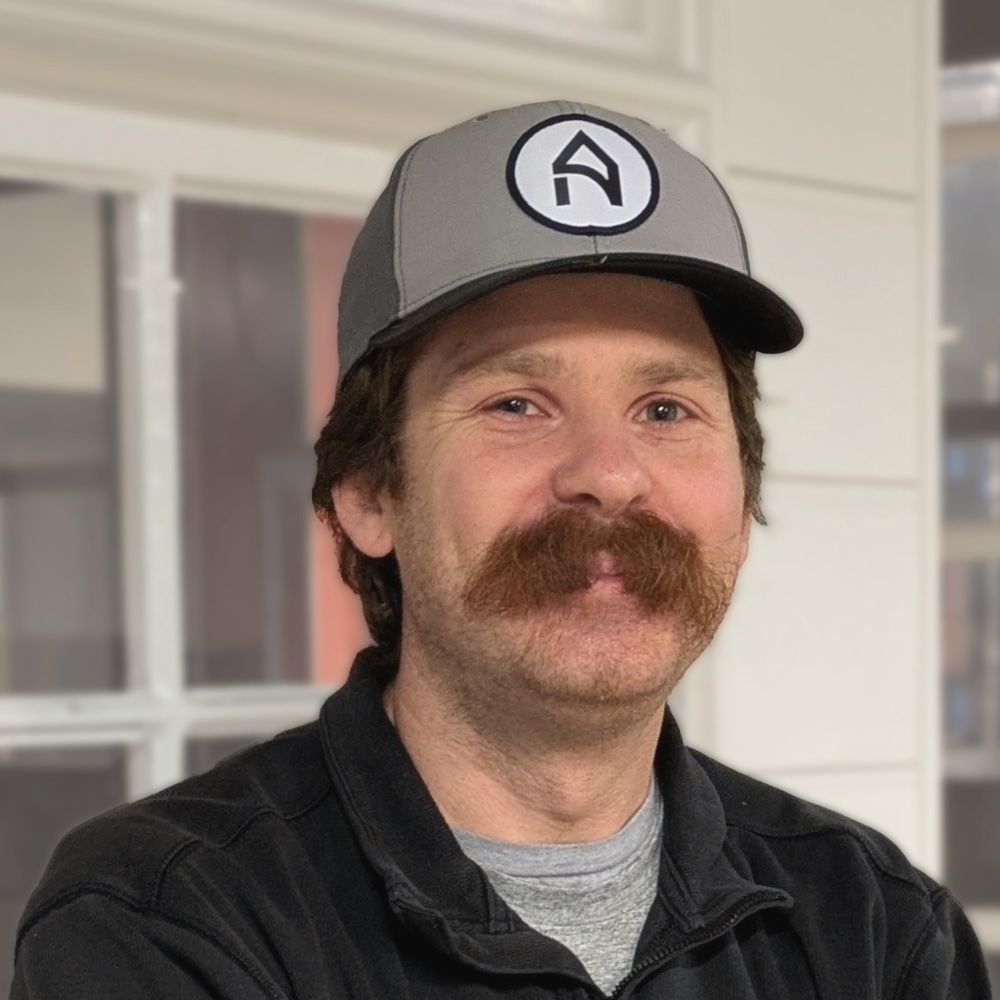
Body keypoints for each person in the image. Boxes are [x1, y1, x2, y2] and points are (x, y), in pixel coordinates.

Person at [9, 100, 992, 999]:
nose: (610, 474)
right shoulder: (167, 920)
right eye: (516, 403)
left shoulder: (879, 926)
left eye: (665, 408)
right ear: (368, 494)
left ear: (741, 502)